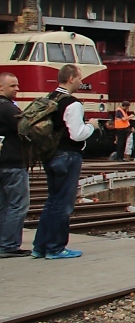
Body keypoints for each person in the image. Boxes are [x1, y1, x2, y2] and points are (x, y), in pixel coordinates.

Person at [31, 64, 96, 260]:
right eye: (80, 78)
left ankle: (40, 246)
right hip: (68, 156)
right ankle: (56, 248)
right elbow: (77, 134)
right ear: (71, 79)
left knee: (52, 201)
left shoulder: (50, 98)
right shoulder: (72, 103)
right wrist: (91, 126)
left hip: (50, 155)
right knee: (64, 204)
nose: (81, 82)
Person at [0, 72, 30, 258]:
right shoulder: (7, 108)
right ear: (1, 87)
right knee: (18, 205)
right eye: (12, 86)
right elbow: (26, 127)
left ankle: (3, 243)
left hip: (2, 162)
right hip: (13, 163)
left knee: (3, 205)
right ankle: (9, 245)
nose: (17, 89)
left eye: (17, 85)